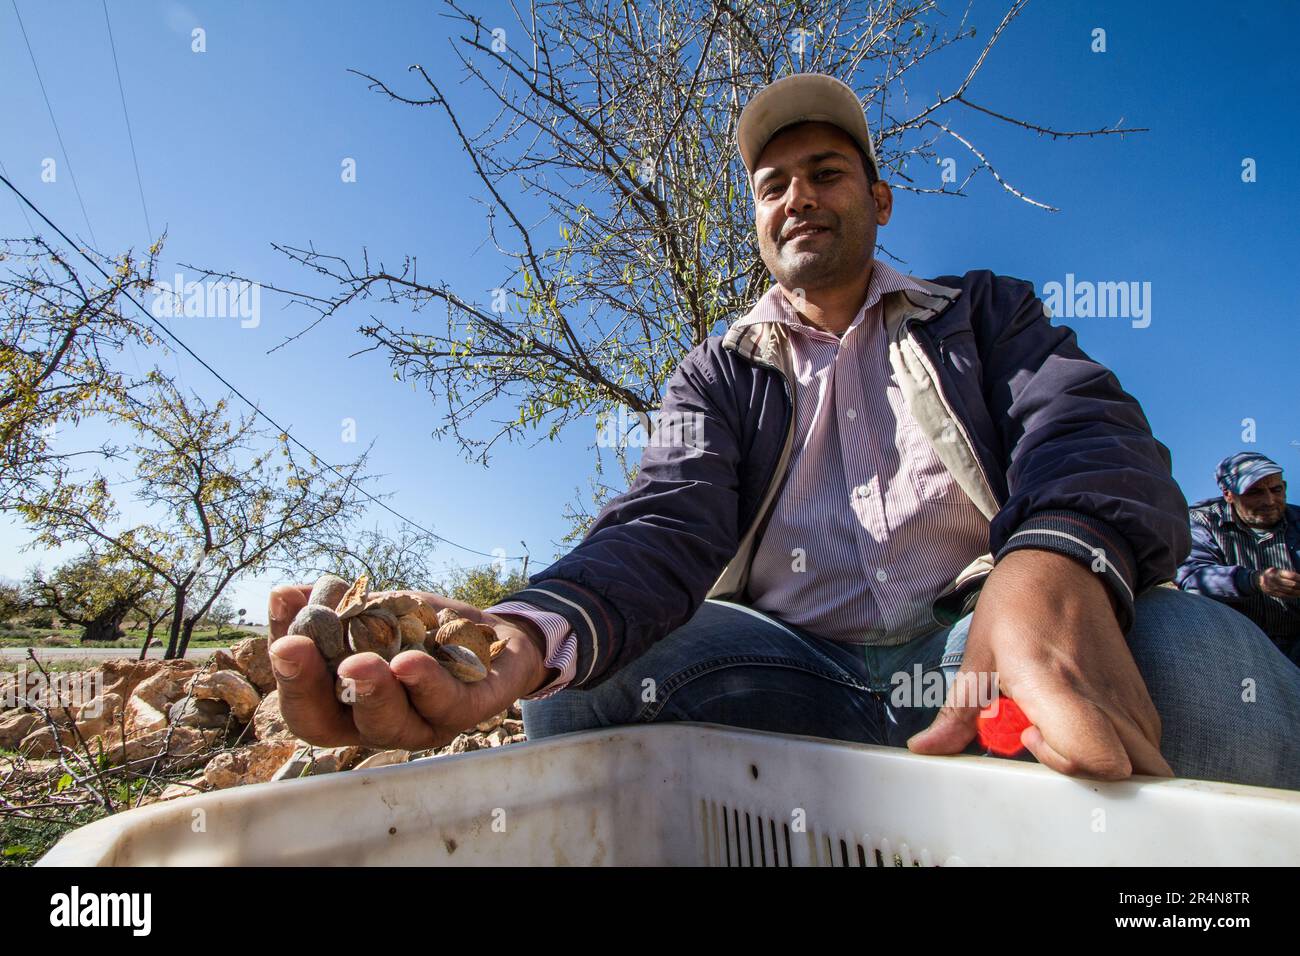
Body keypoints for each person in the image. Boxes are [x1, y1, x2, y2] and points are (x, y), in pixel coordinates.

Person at [266, 73, 1300, 790]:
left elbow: (1088, 427)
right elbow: (663, 519)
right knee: (592, 692)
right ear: (757, 221)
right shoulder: (717, 373)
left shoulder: (985, 314)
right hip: (787, 670)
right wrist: (532, 627)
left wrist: (1052, 561)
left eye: (825, 171)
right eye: (772, 185)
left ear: (878, 198)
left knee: (1206, 660)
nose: (797, 194)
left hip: (978, 650)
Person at [1176, 452, 1300, 664]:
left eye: (1276, 489)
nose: (1269, 501)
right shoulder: (1202, 522)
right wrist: (1255, 580)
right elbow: (1192, 577)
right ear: (1228, 494)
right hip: (1232, 649)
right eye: (1255, 492)